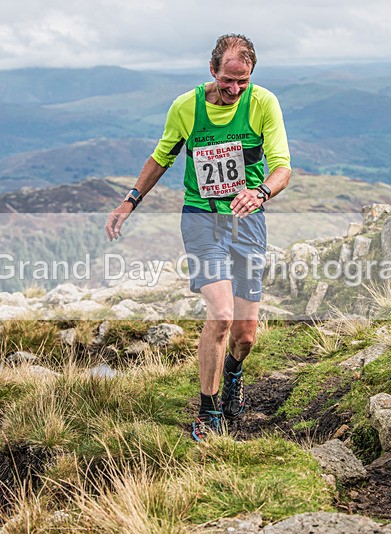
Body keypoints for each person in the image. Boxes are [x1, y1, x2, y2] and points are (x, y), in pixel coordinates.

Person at [105, 34, 291, 441]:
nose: (235, 90)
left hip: (248, 223)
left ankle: (234, 373)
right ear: (213, 70)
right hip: (201, 220)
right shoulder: (186, 106)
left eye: (243, 82)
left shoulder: (263, 104)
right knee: (221, 315)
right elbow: (162, 157)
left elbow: (282, 167)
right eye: (228, 81)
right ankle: (209, 413)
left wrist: (260, 192)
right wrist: (129, 201)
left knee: (245, 334)